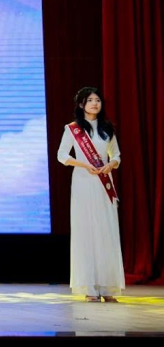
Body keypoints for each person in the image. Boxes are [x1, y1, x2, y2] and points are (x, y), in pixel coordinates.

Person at [57, 86, 124, 303]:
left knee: (106, 231)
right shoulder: (73, 129)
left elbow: (116, 155)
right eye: (90, 100)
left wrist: (111, 164)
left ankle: (107, 287)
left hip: (104, 182)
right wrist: (85, 165)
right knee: (86, 231)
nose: (95, 104)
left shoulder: (107, 128)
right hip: (84, 181)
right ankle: (89, 288)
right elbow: (62, 155)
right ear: (81, 104)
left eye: (98, 100)